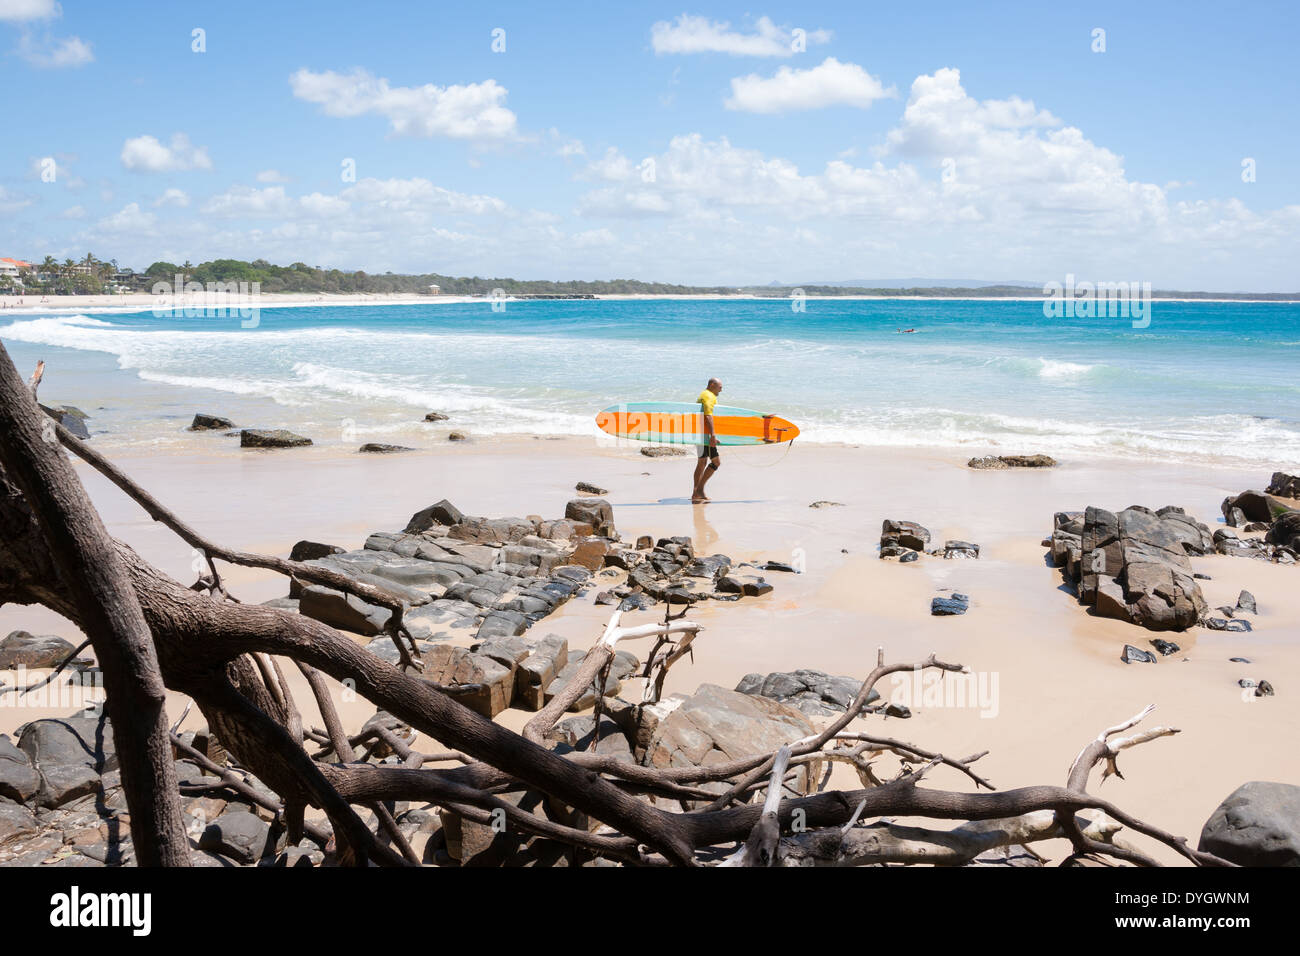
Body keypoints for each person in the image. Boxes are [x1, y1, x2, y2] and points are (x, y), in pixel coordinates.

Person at [691, 378, 723, 503]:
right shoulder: (708, 396)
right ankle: (699, 490)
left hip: (699, 434)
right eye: (720, 386)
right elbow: (708, 415)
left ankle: (696, 492)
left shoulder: (704, 395)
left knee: (702, 462)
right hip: (704, 436)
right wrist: (712, 435)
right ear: (712, 385)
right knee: (715, 462)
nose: (721, 389)